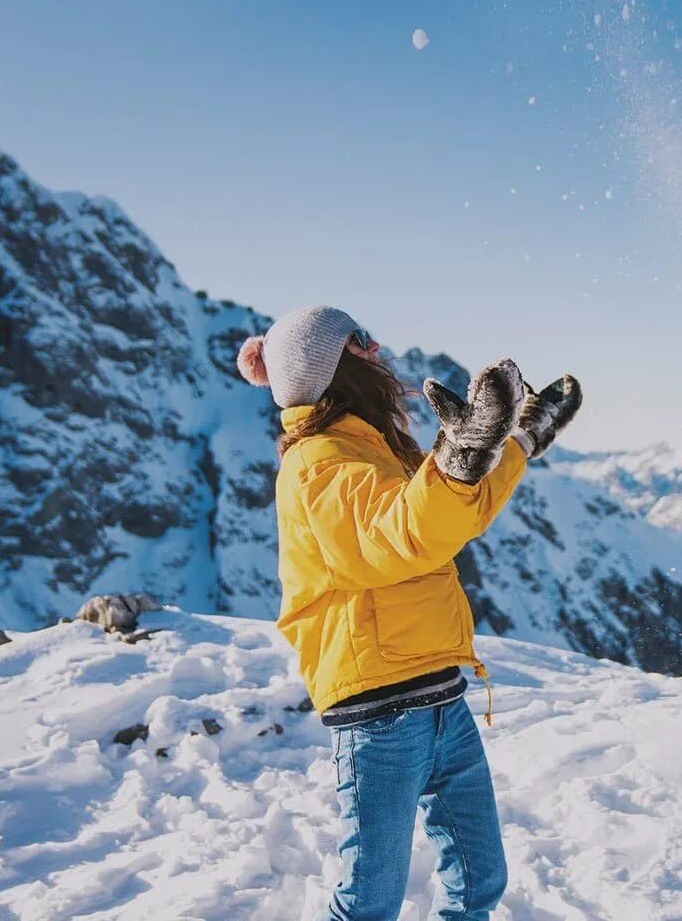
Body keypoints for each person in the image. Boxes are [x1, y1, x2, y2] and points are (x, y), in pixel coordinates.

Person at [238, 305, 581, 921]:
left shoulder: (370, 446)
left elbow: (453, 513)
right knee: (368, 904)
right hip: (381, 717)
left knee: (479, 884)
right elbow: (397, 534)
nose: (377, 349)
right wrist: (461, 453)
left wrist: (518, 439)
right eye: (359, 340)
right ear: (332, 365)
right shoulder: (320, 463)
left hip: (441, 699)